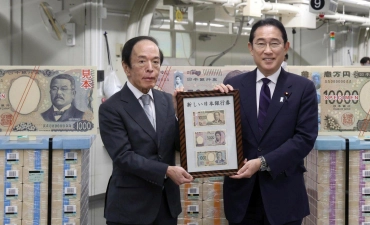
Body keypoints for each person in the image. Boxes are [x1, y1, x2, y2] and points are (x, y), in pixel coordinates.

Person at [214, 18, 318, 225]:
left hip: (284, 193)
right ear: (251, 48)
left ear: (286, 47)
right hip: (242, 197)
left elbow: (304, 139)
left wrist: (262, 163)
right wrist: (215, 103)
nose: (268, 50)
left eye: (274, 43)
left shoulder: (302, 88)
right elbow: (219, 135)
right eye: (261, 43)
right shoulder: (232, 86)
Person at [99, 36, 193, 225]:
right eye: (142, 61)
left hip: (166, 206)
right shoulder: (111, 108)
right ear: (126, 67)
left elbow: (177, 145)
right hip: (130, 208)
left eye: (156, 62)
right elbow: (123, 156)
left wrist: (180, 115)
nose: (150, 68)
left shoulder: (167, 101)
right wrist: (166, 170)